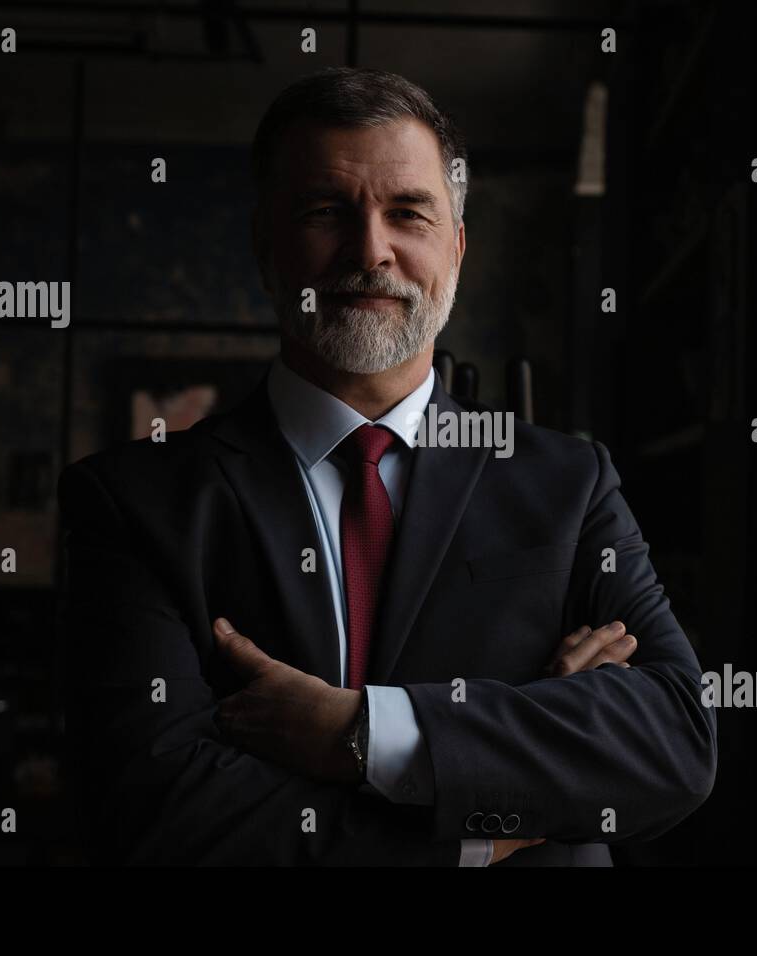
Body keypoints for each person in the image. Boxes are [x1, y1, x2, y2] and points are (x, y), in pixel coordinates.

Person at [58, 67, 716, 866]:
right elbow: (160, 814)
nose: (372, 250)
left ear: (458, 246)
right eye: (326, 211)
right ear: (265, 245)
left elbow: (675, 741)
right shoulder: (133, 503)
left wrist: (354, 732)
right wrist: (482, 831)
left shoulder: (569, 484)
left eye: (409, 212)